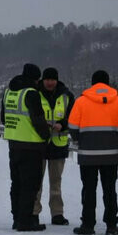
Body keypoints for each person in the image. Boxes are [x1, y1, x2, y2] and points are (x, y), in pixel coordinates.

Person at [68, 70, 118, 235]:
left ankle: (88, 225)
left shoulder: (81, 101)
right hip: (110, 154)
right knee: (109, 190)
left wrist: (80, 140)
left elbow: (73, 127)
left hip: (87, 154)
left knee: (89, 189)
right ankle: (111, 225)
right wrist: (113, 138)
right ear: (108, 83)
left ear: (92, 83)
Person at [1, 63, 51, 232]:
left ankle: (16, 218)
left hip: (13, 144)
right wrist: (46, 135)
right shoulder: (31, 94)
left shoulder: (9, 92)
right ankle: (26, 221)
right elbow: (38, 120)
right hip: (31, 146)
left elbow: (3, 118)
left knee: (16, 183)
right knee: (30, 185)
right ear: (35, 79)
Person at [34, 67, 75, 226]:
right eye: (47, 79)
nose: (49, 82)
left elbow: (73, 116)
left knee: (56, 183)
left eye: (52, 79)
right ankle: (34, 213)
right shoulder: (35, 94)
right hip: (40, 144)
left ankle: (57, 214)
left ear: (56, 80)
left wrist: (62, 125)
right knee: (36, 183)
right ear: (42, 80)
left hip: (58, 145)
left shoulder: (67, 96)